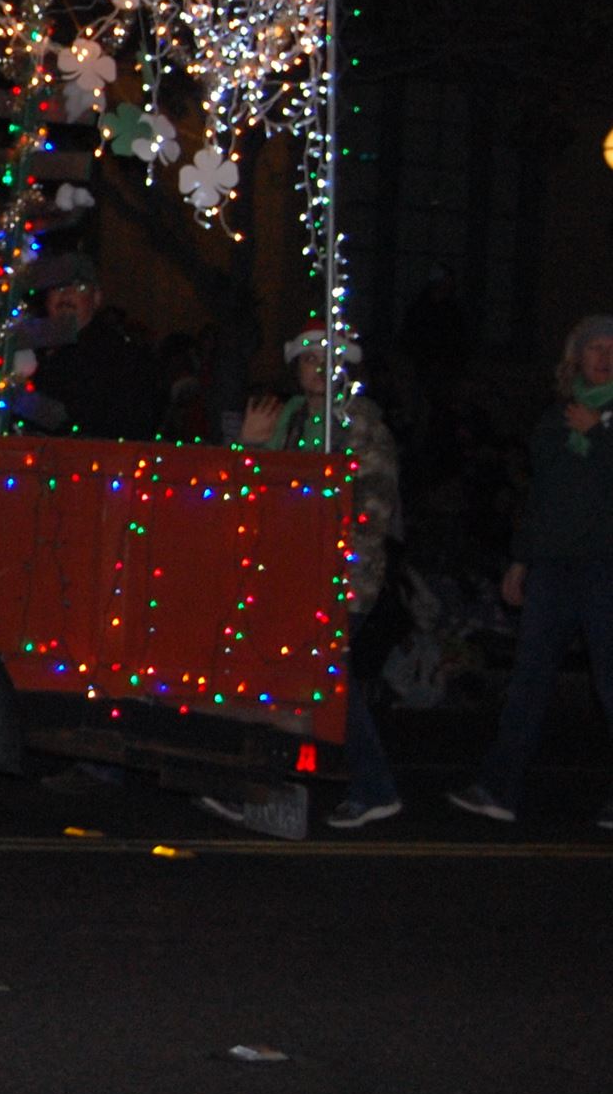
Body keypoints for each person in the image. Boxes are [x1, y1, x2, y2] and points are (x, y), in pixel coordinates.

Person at [215, 328, 407, 828]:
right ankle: (268, 788)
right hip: (290, 572)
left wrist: (333, 552)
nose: (318, 368)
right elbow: (257, 491)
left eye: (329, 359)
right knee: (284, 680)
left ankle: (373, 788)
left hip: (342, 575)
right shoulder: (293, 418)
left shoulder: (359, 423)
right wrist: (250, 447)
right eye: (308, 360)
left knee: (325, 679)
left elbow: (373, 505)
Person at [446, 315, 613, 830]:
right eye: (595, 349)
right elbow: (540, 496)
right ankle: (498, 788)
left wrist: (602, 435)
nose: (605, 357)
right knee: (529, 680)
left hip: (605, 567)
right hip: (553, 567)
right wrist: (521, 558)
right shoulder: (554, 418)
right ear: (576, 357)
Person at [5, 252, 161, 440]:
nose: (65, 295)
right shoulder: (31, 348)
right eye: (57, 288)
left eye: (78, 287)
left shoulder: (114, 356)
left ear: (96, 298)